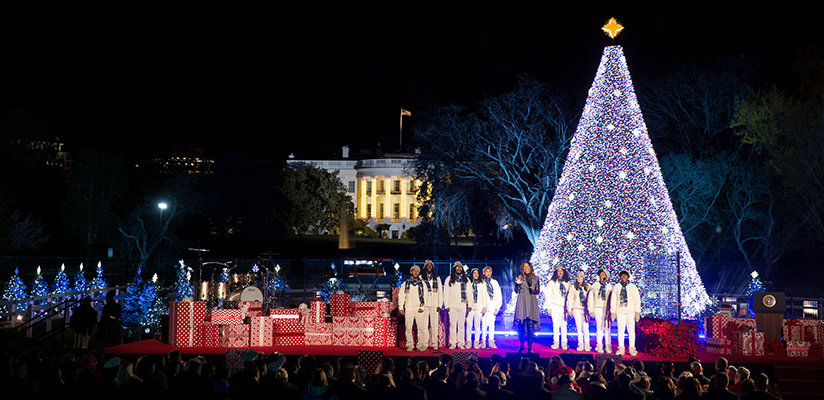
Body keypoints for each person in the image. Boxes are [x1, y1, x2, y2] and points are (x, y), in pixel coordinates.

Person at [610, 270, 641, 356]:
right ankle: (621, 348)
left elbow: (637, 299)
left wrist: (637, 312)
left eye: (625, 276)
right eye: (622, 276)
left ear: (628, 277)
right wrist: (613, 312)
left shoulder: (632, 287)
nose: (623, 277)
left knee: (631, 330)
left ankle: (632, 348)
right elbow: (613, 299)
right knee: (620, 330)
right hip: (620, 311)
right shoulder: (617, 287)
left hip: (630, 311)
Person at [399, 265, 429, 352]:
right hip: (409, 308)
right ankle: (410, 345)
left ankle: (420, 345)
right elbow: (401, 296)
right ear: (411, 272)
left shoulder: (422, 283)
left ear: (419, 273)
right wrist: (401, 307)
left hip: (419, 308)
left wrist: (422, 307)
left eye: (417, 271)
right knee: (408, 328)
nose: (415, 272)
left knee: (421, 328)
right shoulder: (406, 283)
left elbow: (425, 296)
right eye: (413, 271)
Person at [513, 261, 541, 353]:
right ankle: (521, 346)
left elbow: (538, 291)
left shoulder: (536, 278)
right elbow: (516, 291)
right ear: (522, 268)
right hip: (522, 300)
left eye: (527, 266)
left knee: (530, 325)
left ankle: (529, 347)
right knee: (521, 324)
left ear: (530, 267)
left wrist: (534, 289)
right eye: (524, 266)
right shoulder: (519, 277)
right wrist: (518, 284)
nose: (526, 268)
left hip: (531, 300)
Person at [444, 261, 470, 349]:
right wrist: (446, 305)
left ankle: (461, 343)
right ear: (454, 268)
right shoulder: (449, 279)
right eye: (457, 267)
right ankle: (452, 343)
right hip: (452, 305)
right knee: (452, 325)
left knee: (461, 325)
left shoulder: (466, 279)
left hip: (462, 305)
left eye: (460, 267)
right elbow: (446, 292)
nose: (459, 268)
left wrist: (469, 304)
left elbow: (469, 293)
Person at [420, 260, 444, 351]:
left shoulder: (437, 278)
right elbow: (419, 292)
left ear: (432, 267)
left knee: (434, 325)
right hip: (425, 304)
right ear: (425, 267)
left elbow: (440, 292)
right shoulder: (421, 277)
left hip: (434, 304)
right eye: (427, 265)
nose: (429, 266)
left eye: (431, 265)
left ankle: (435, 344)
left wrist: (440, 304)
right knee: (424, 325)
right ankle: (425, 344)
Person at [587, 269, 613, 353]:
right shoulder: (595, 285)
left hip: (607, 308)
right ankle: (599, 345)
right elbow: (591, 298)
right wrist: (591, 310)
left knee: (607, 327)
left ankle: (608, 346)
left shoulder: (610, 286)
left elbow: (613, 299)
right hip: (597, 308)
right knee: (599, 327)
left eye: (604, 275)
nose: (603, 276)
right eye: (601, 274)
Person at [547, 265, 571, 350]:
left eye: (562, 271)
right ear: (556, 273)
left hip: (564, 307)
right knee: (556, 325)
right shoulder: (552, 282)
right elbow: (548, 295)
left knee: (564, 324)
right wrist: (549, 307)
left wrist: (569, 308)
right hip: (555, 306)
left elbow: (569, 296)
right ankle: (556, 342)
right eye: (558, 271)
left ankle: (564, 343)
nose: (560, 272)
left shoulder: (568, 283)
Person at [567, 271, 591, 352]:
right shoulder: (573, 287)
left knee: (585, 327)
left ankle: (587, 344)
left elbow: (590, 299)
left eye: (581, 277)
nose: (579, 278)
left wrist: (590, 309)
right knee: (579, 327)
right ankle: (580, 344)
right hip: (576, 309)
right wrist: (569, 309)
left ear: (583, 278)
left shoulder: (587, 287)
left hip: (585, 310)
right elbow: (570, 298)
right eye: (578, 277)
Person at [466, 267, 489, 349]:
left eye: (477, 273)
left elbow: (485, 296)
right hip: (470, 307)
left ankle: (476, 342)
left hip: (479, 307)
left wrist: (484, 307)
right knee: (468, 325)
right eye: (474, 273)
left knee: (477, 326)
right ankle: (468, 342)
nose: (475, 274)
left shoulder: (482, 283)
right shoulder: (468, 283)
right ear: (471, 274)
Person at [481, 266, 502, 349]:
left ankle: (491, 341)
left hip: (492, 307)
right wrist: (481, 307)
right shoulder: (481, 282)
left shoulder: (494, 282)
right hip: (484, 308)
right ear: (484, 273)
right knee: (483, 326)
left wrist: (497, 307)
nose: (488, 273)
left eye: (489, 271)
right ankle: (483, 342)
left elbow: (498, 294)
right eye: (486, 271)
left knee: (492, 325)